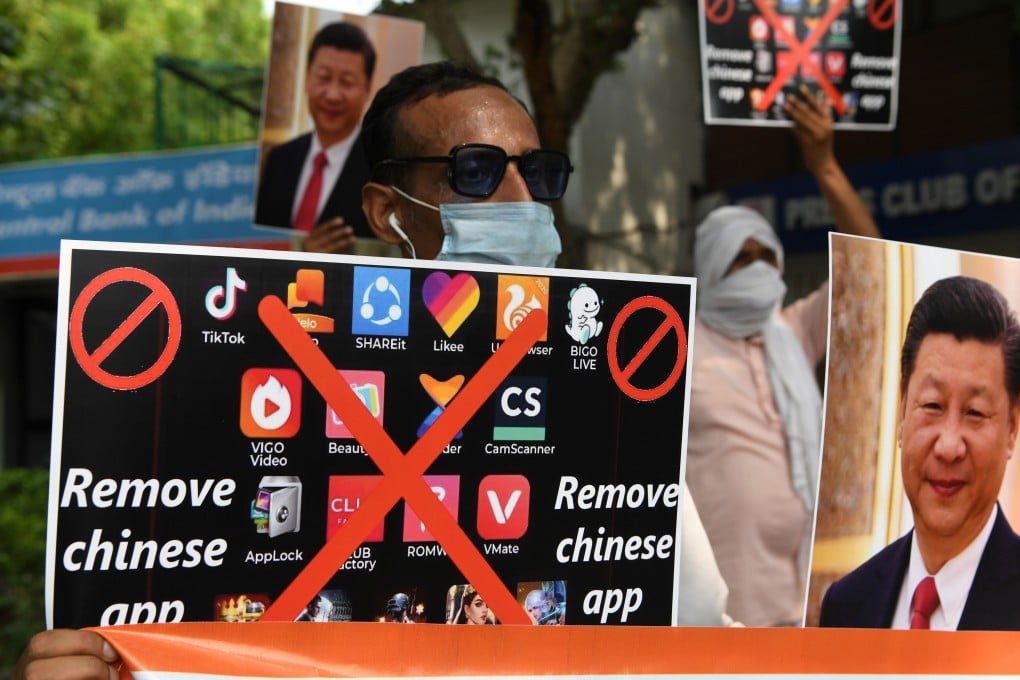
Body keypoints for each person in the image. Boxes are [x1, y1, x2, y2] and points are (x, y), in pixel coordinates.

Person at [14, 60, 734, 680]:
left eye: (538, 174)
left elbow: (697, 627)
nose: (522, 203)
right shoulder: (269, 391)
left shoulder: (601, 399)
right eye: (477, 172)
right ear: (387, 212)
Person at [683, 85, 881, 627]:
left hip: (810, 600)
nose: (754, 270)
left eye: (764, 256)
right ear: (709, 266)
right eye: (737, 259)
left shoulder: (790, 330)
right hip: (724, 614)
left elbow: (869, 271)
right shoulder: (675, 345)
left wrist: (824, 165)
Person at [820, 275, 1020, 630]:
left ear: (1011, 429)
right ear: (901, 410)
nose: (948, 446)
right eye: (932, 405)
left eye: (974, 412)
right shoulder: (847, 605)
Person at [254, 21, 374, 254]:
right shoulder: (279, 159)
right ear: (307, 79)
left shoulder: (378, 169)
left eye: (347, 82)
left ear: (367, 89)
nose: (332, 94)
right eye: (324, 77)